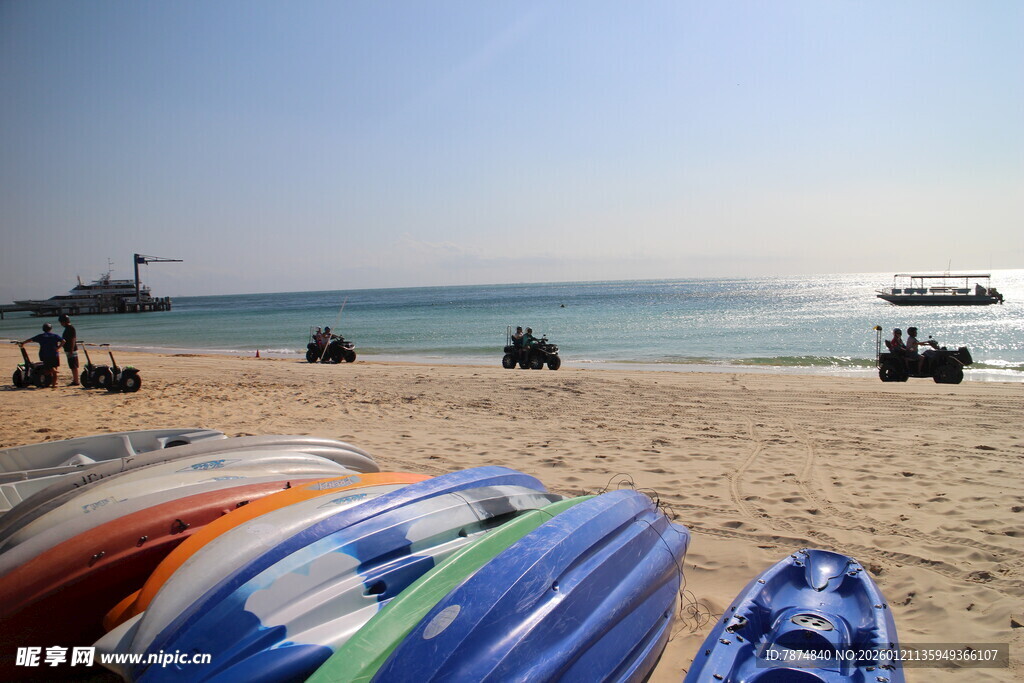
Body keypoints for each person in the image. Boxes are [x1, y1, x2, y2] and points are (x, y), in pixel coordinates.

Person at [22, 323, 63, 388]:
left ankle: (52, 371)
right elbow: (64, 341)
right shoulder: (55, 335)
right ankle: (53, 385)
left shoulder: (41, 336)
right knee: (54, 370)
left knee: (47, 369)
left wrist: (23, 343)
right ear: (51, 329)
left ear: (43, 329)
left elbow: (30, 340)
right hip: (55, 354)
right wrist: (58, 348)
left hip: (45, 354)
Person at [58, 314, 79, 386]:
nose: (61, 324)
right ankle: (75, 380)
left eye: (61, 322)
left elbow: (73, 339)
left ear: (65, 321)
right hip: (68, 349)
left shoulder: (70, 328)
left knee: (74, 365)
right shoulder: (67, 328)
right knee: (72, 365)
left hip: (71, 349)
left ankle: (76, 381)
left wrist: (71, 350)